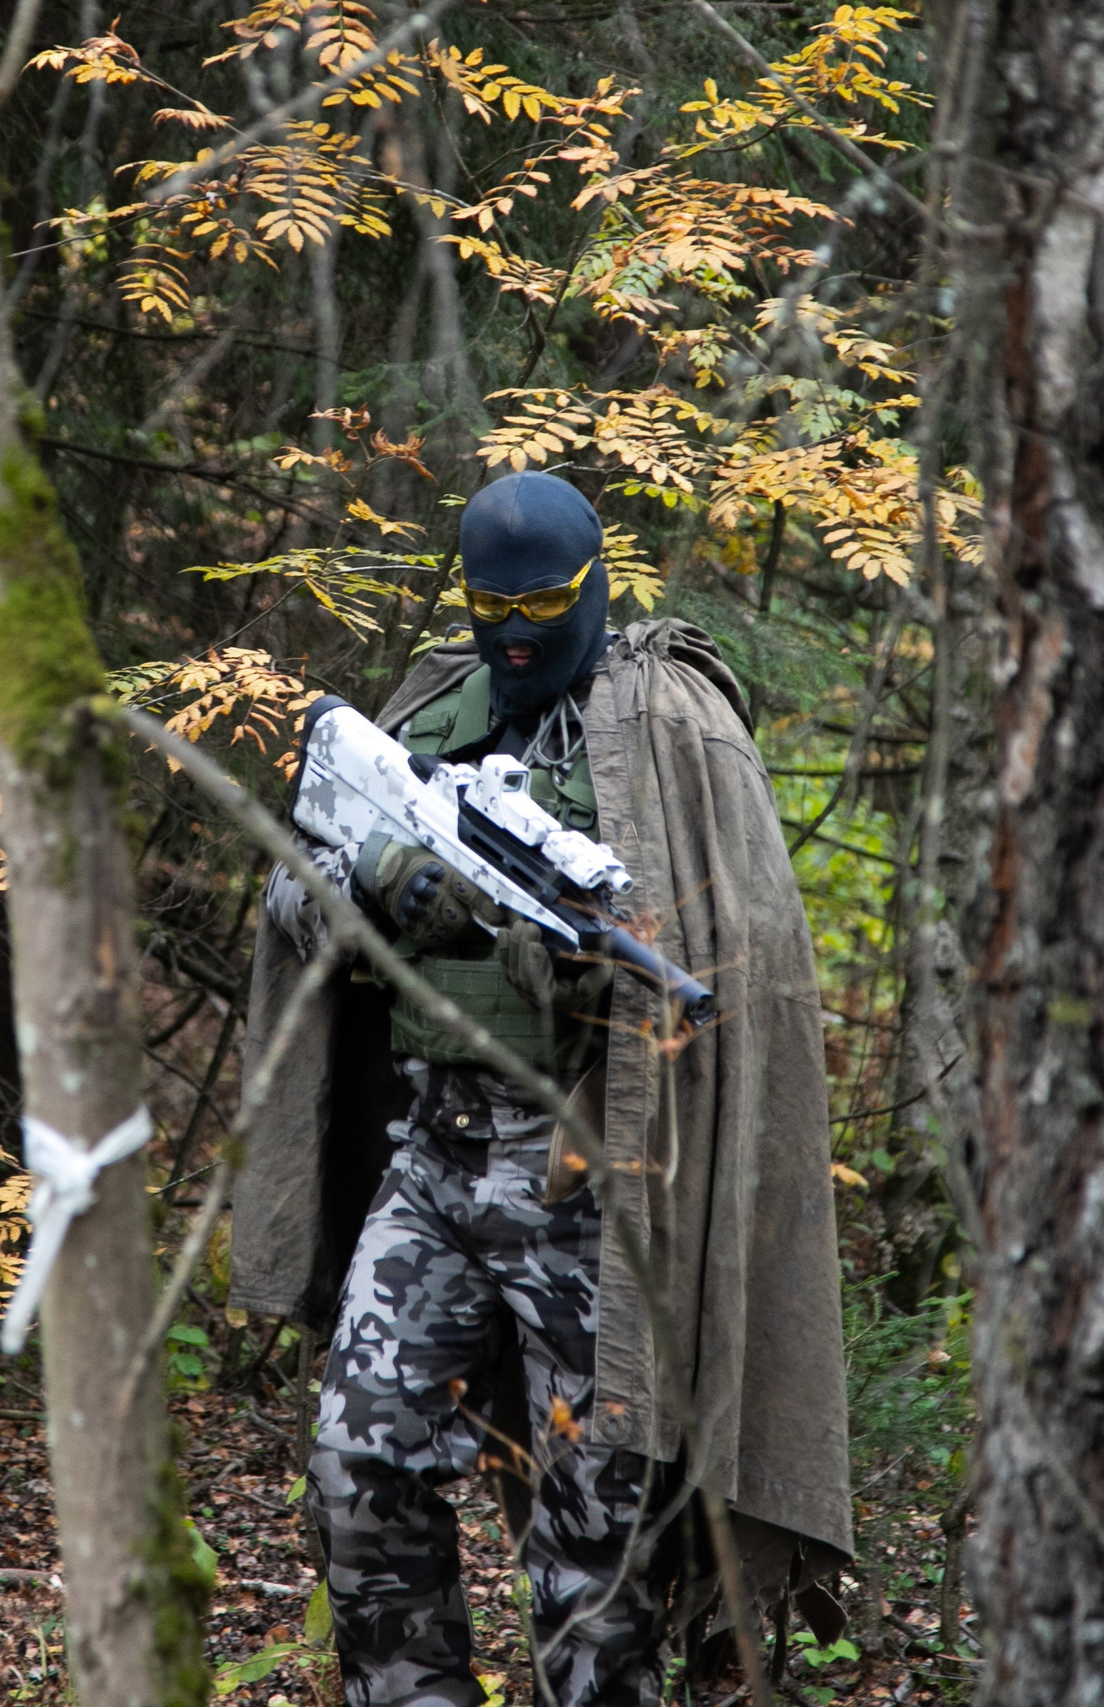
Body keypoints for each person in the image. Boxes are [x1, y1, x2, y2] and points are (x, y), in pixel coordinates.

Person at [231, 471, 854, 1707]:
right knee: (358, 1479)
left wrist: (564, 955)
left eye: (546, 601)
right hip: (432, 1163)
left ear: (597, 581)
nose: (516, 631)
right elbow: (287, 897)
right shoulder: (425, 717)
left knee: (597, 1553)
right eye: (489, 602)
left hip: (598, 1184)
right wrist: (377, 889)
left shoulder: (669, 730)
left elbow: (745, 966)